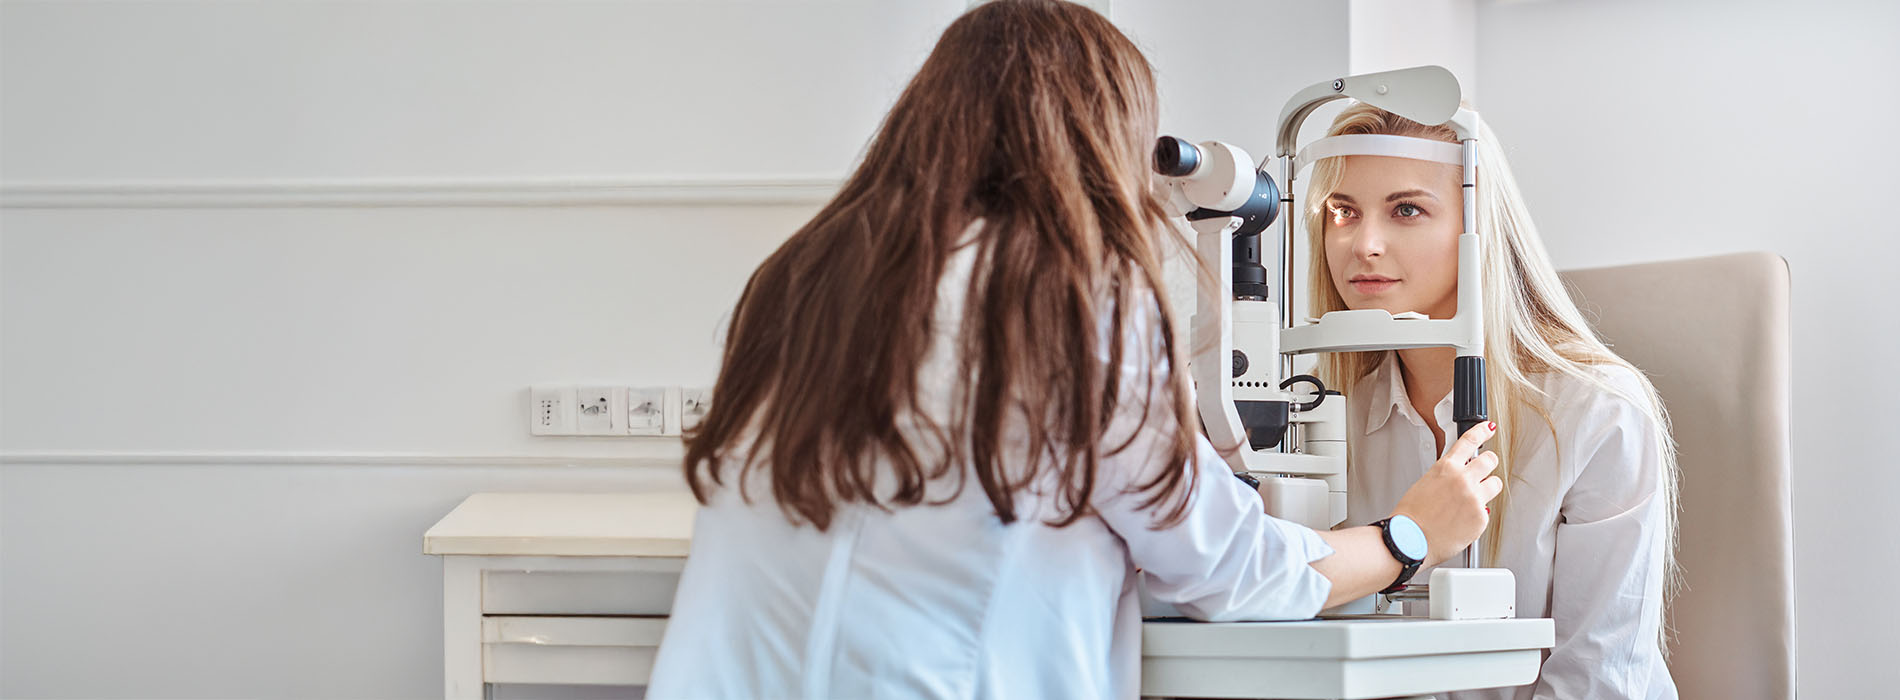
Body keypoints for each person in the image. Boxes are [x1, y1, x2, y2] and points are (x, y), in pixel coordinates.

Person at [646, 2, 1502, 697]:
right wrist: (1407, 537)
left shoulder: (800, 281)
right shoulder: (1068, 297)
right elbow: (1232, 567)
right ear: (1100, 142)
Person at [1305, 101, 1681, 699]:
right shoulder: (1325, 417)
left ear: (1477, 230)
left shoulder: (1597, 411)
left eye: (1406, 210)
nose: (1364, 244)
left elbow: (1598, 680)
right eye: (1343, 212)